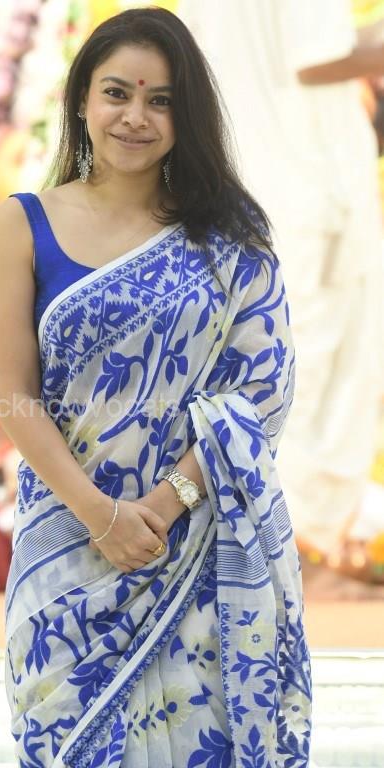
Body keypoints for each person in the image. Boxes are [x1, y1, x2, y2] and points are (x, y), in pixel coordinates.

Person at [0, 8, 312, 767]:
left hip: (198, 542)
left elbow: (262, 387)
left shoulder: (229, 234)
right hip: (66, 544)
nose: (135, 116)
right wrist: (100, 516)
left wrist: (163, 505)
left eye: (161, 100)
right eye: (116, 93)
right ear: (81, 101)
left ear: (186, 115)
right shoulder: (22, 224)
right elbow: (14, 396)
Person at [178, 0, 384, 570]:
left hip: (243, 179)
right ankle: (293, 555)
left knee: (259, 363)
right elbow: (315, 57)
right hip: (301, 186)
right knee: (304, 368)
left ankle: (278, 550)